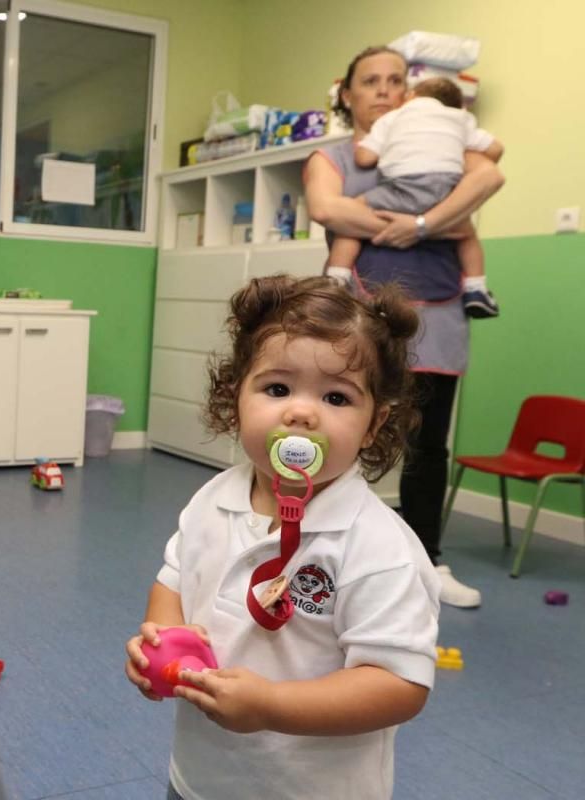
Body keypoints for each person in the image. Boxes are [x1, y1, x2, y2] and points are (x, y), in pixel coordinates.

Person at [125, 275, 440, 800]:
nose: (301, 411)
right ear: (236, 396)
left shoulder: (380, 549)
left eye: (337, 397)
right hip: (201, 777)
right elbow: (175, 579)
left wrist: (272, 706)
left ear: (372, 424)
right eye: (277, 388)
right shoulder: (210, 500)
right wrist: (161, 640)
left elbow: (398, 685)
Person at [305, 46, 505, 608]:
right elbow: (328, 209)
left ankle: (426, 562)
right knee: (335, 433)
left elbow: (489, 175)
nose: (385, 90)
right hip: (361, 311)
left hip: (439, 310)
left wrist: (420, 224)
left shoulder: (444, 140)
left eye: (396, 80)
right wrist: (438, 222)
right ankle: (318, 549)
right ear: (347, 94)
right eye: (370, 81)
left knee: (427, 445)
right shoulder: (337, 156)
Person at [327, 77, 504, 318]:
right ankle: (477, 290)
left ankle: (336, 280)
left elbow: (364, 158)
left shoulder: (393, 118)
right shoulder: (460, 118)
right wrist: (451, 146)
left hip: (401, 188)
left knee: (349, 222)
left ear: (411, 95)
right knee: (467, 235)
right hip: (443, 194)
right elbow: (496, 150)